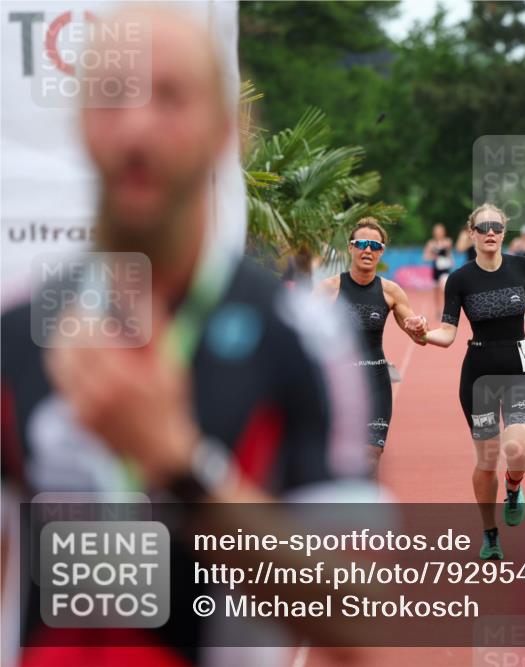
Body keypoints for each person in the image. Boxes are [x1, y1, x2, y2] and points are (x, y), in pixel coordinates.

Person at [0, 8, 369, 666]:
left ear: (224, 129)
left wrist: (176, 463)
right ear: (82, 123)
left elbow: (355, 620)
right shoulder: (16, 330)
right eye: (111, 97)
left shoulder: (302, 338)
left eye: (169, 96)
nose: (138, 127)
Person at [408, 204, 525, 560]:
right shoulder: (460, 279)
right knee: (486, 460)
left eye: (496, 225)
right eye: (483, 227)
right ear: (473, 233)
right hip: (478, 376)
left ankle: (513, 488)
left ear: (504, 230)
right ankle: (490, 531)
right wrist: (422, 335)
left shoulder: (520, 267)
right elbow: (448, 333)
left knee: (518, 448)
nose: (490, 232)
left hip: (518, 372)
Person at [316, 218, 427, 477]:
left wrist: (419, 327)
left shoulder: (391, 292)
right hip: (338, 382)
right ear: (350, 248)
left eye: (375, 245)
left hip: (376, 381)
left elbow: (418, 336)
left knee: (370, 456)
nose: (368, 250)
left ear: (382, 251)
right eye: (362, 244)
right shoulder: (328, 289)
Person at [422, 223, 454, 321]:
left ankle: (447, 310)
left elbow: (449, 254)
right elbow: (425, 257)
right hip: (436, 270)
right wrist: (433, 255)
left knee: (444, 288)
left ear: (443, 232)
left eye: (440, 231)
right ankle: (438, 309)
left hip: (445, 270)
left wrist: (450, 260)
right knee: (436, 292)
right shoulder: (431, 243)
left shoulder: (447, 241)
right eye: (436, 231)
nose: (438, 233)